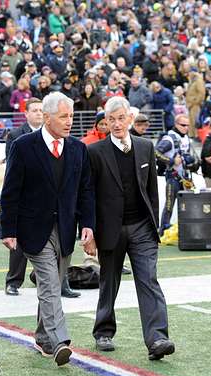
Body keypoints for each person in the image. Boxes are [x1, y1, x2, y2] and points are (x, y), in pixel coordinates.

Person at [0, 92, 95, 366]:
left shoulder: (78, 149)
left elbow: (86, 191)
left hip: (66, 229)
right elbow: (10, 190)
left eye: (72, 117)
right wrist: (8, 229)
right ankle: (59, 340)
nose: (69, 122)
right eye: (64, 117)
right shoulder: (23, 146)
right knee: (51, 284)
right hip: (33, 229)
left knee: (53, 283)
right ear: (47, 116)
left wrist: (88, 224)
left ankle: (42, 337)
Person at [86, 97, 174, 360]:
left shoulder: (145, 147)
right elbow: (88, 194)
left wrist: (154, 226)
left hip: (142, 228)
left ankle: (158, 338)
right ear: (105, 122)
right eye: (110, 119)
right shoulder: (95, 152)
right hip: (110, 230)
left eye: (120, 118)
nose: (116, 124)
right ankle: (103, 331)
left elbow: (151, 191)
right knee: (108, 281)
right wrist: (89, 230)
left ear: (130, 119)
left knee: (149, 280)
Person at [4, 97, 43, 296]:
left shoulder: (50, 132)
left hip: (45, 194)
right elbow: (13, 165)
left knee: (49, 240)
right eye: (34, 110)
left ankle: (51, 281)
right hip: (24, 194)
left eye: (41, 110)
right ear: (26, 113)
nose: (38, 113)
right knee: (18, 242)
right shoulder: (15, 135)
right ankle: (13, 282)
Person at [155, 114, 199, 236]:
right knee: (169, 204)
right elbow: (155, 152)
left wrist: (193, 164)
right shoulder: (169, 139)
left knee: (189, 204)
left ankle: (189, 230)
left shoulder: (186, 138)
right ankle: (162, 231)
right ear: (176, 124)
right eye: (183, 125)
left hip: (185, 177)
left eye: (188, 126)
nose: (186, 128)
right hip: (173, 177)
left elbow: (190, 157)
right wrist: (171, 161)